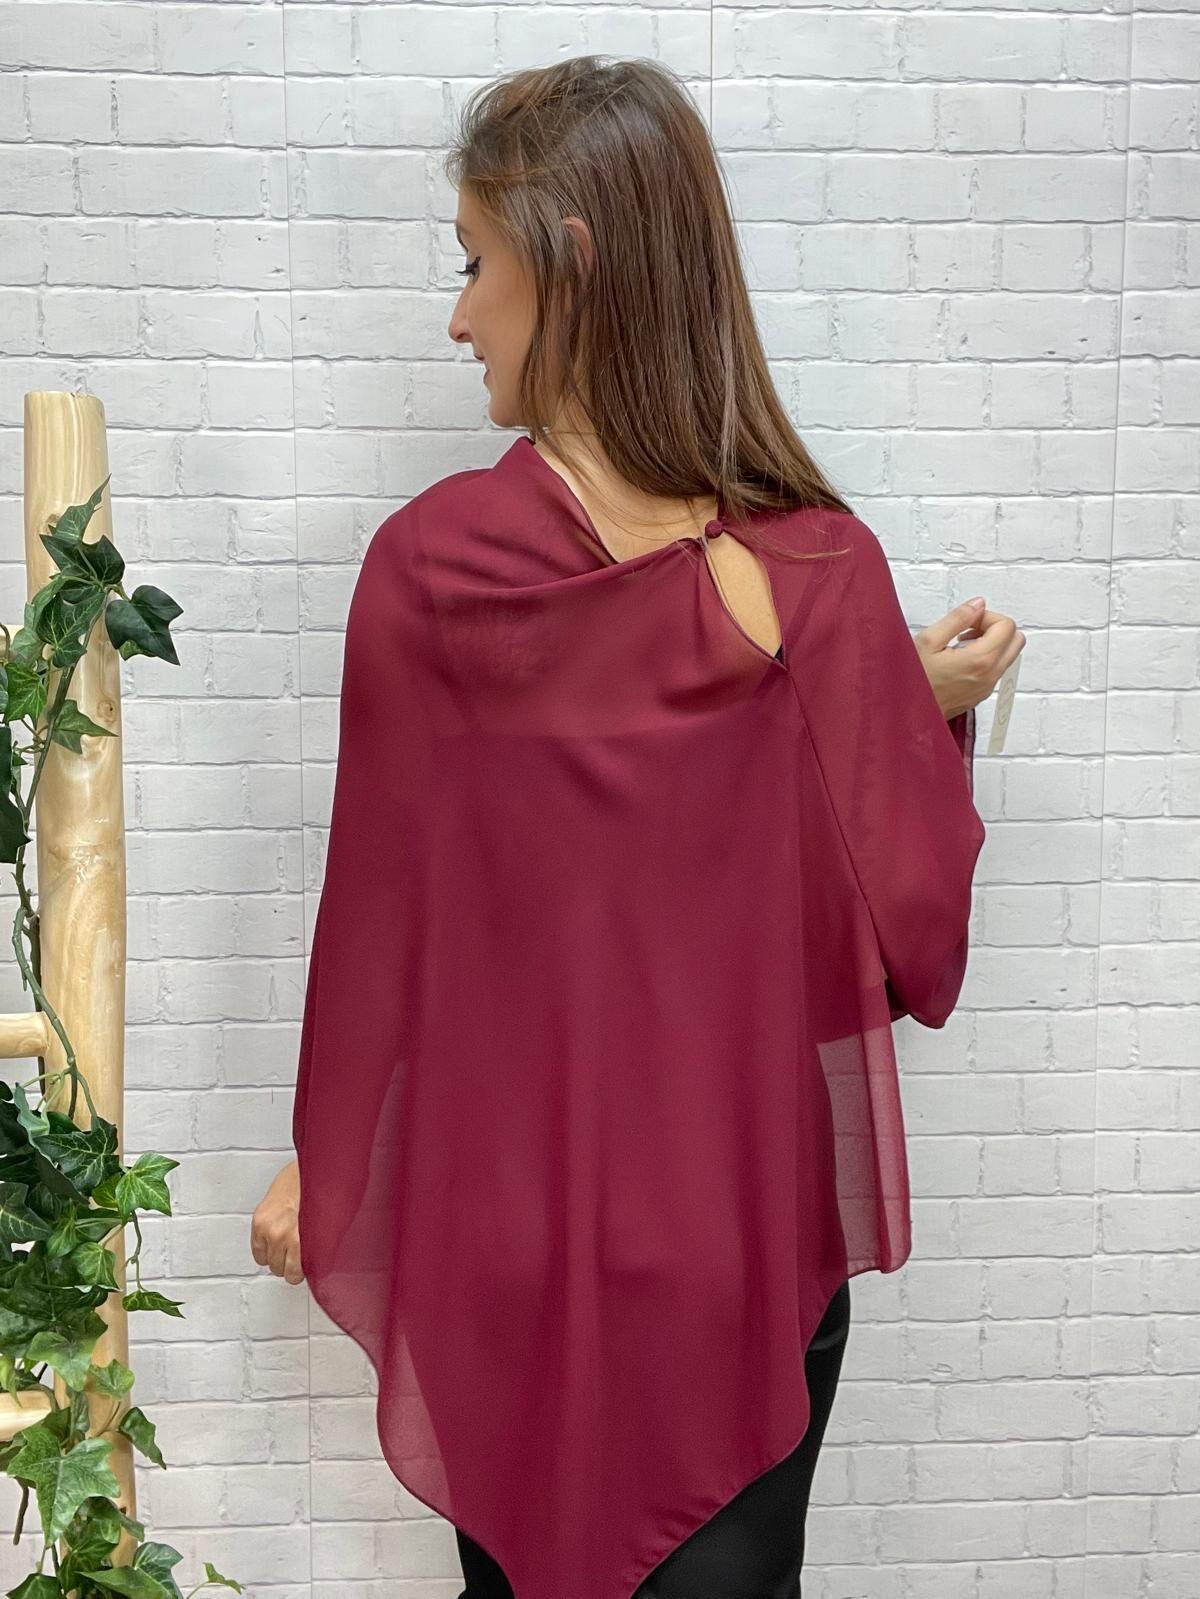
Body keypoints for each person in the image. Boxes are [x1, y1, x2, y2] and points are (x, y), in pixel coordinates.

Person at [252, 55, 1024, 1599]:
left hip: (546, 1235)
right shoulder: (816, 577)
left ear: (573, 260)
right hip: (719, 1232)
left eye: (474, 264)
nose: (458, 318)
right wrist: (898, 701)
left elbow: (399, 915)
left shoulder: (438, 576)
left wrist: (320, 1160)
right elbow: (898, 931)